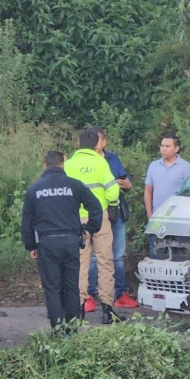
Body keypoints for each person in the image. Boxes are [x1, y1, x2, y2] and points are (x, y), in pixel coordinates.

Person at [21, 151, 102, 331]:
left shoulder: (35, 189)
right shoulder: (74, 185)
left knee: (52, 288)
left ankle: (58, 330)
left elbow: (27, 221)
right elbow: (96, 207)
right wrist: (90, 229)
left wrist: (31, 245)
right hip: (71, 241)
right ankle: (72, 329)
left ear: (45, 164)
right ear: (63, 164)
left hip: (47, 243)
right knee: (71, 287)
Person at [64, 127, 125, 324]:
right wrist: (113, 206)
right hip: (99, 218)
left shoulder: (69, 164)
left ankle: (79, 308)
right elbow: (112, 191)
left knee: (80, 263)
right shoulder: (100, 162)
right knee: (105, 262)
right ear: (96, 143)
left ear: (79, 143)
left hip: (75, 219)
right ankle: (107, 310)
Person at [84, 128, 138, 312]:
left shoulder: (112, 159)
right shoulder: (87, 162)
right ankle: (90, 296)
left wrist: (127, 184)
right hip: (95, 214)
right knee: (93, 259)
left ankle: (120, 295)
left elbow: (124, 179)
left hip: (115, 214)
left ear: (104, 142)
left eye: (98, 141)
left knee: (118, 256)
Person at [144, 133, 190, 256]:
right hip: (157, 216)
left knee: (177, 252)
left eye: (167, 146)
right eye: (162, 146)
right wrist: (150, 215)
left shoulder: (185, 167)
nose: (163, 149)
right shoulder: (154, 166)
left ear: (176, 149)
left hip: (178, 218)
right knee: (156, 250)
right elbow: (148, 191)